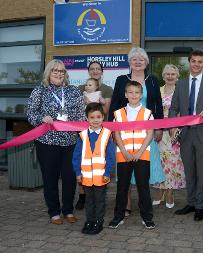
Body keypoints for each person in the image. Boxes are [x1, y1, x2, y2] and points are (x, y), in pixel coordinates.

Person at [26, 59, 85, 224]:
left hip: (70, 141)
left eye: (61, 71)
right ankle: (54, 212)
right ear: (48, 73)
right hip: (47, 142)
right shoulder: (40, 90)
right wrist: (41, 118)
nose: (59, 74)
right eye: (55, 71)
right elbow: (30, 113)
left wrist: (83, 128)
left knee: (69, 177)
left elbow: (81, 114)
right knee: (50, 177)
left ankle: (68, 210)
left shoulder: (73, 91)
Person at [109, 47, 165, 217]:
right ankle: (125, 205)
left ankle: (144, 205)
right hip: (124, 134)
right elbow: (115, 104)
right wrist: (113, 130)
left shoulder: (153, 80)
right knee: (124, 170)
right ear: (130, 62)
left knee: (143, 171)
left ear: (146, 62)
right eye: (135, 59)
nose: (138, 61)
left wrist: (159, 127)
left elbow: (158, 105)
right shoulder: (121, 80)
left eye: (141, 59)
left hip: (145, 134)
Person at [169, 50, 203, 221]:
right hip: (185, 135)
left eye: (200, 62)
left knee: (202, 172)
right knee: (189, 171)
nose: (196, 64)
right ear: (189, 62)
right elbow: (173, 108)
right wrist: (173, 127)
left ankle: (199, 205)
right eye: (193, 61)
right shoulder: (180, 84)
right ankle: (190, 203)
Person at [109, 81, 156, 229]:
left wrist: (140, 152)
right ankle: (118, 216)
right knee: (122, 187)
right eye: (130, 92)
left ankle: (147, 217)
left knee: (143, 187)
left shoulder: (148, 113)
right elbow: (116, 134)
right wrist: (124, 151)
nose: (133, 95)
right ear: (125, 94)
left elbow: (150, 134)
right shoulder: (118, 113)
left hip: (142, 155)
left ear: (141, 95)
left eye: (136, 92)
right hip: (124, 155)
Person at [72, 103, 115, 234]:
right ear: (87, 118)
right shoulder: (82, 135)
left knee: (100, 200)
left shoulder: (107, 134)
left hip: (101, 176)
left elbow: (111, 156)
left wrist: (108, 172)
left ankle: (98, 222)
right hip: (85, 176)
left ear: (103, 117)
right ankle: (89, 221)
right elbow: (77, 155)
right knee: (89, 201)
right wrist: (77, 172)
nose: (95, 120)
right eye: (92, 117)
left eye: (98, 117)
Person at [76, 61, 114, 210]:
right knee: (83, 161)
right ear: (89, 71)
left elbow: (105, 110)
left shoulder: (107, 89)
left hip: (99, 130)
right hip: (83, 129)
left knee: (99, 161)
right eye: (92, 69)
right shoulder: (81, 89)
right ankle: (82, 195)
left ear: (102, 72)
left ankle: (99, 193)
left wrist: (98, 102)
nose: (95, 71)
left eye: (98, 69)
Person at [153, 64, 185, 209]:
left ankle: (170, 192)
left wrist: (177, 130)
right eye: (167, 74)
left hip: (174, 133)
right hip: (159, 132)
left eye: (173, 74)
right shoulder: (157, 91)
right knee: (159, 162)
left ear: (177, 76)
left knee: (173, 163)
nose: (170, 76)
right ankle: (160, 191)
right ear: (163, 76)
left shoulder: (181, 91)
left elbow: (184, 112)